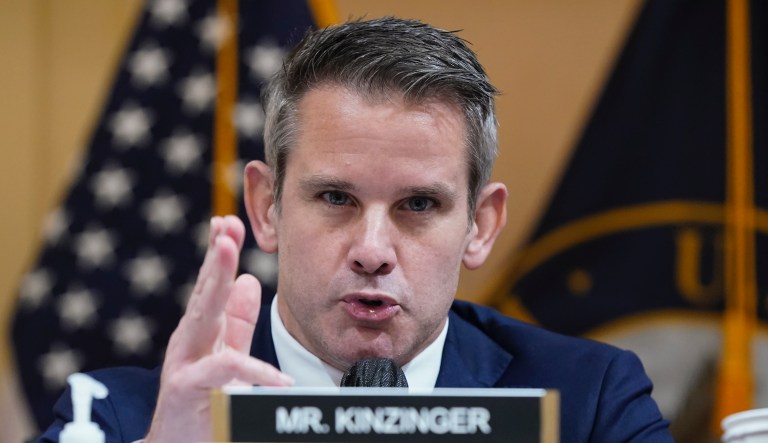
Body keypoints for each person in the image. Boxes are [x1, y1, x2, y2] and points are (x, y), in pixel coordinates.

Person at [37, 17, 673, 442]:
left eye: (419, 205)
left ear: (480, 226)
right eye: (336, 197)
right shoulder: (117, 417)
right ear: (266, 206)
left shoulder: (590, 403)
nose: (372, 252)